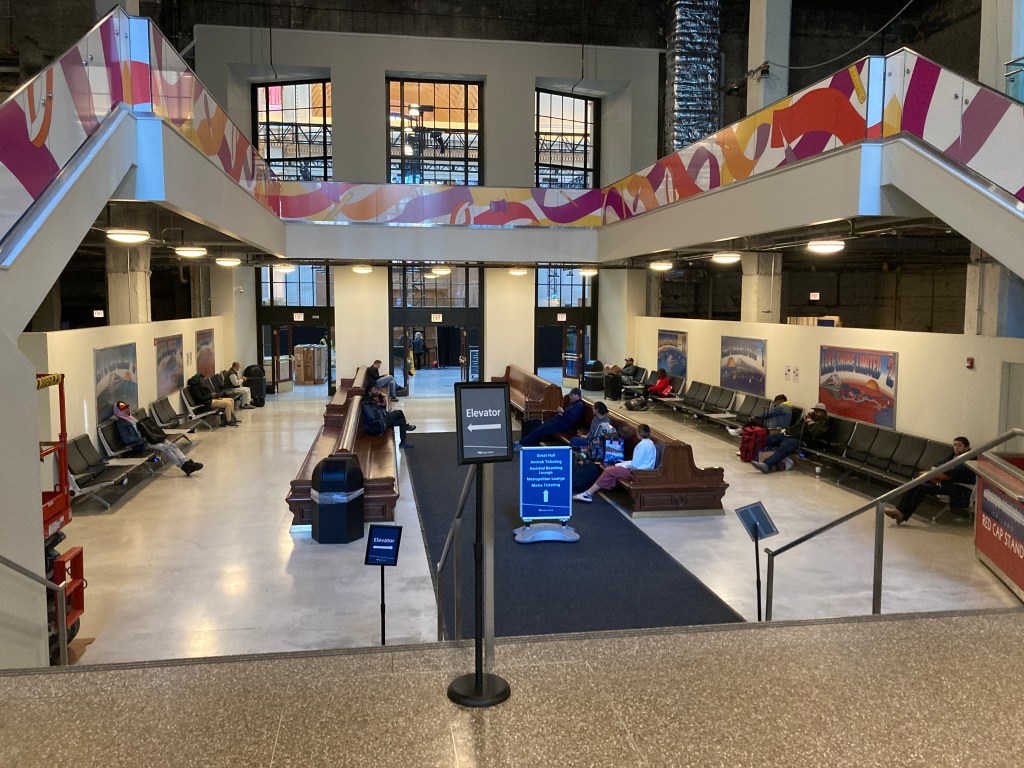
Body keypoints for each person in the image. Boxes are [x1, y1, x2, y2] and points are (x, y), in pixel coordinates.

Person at [885, 436, 974, 524]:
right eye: (955, 445)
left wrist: (940, 470)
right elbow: (938, 464)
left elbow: (956, 473)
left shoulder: (970, 459)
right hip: (942, 481)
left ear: (967, 447)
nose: (956, 448)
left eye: (959, 445)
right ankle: (899, 510)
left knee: (922, 488)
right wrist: (940, 470)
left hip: (954, 487)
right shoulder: (953, 456)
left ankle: (902, 514)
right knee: (916, 483)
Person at [113, 401, 203, 475]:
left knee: (172, 445)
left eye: (126, 407)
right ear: (118, 412)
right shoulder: (121, 424)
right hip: (140, 444)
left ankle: (186, 462)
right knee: (164, 448)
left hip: (149, 439)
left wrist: (150, 435)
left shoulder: (132, 418)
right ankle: (183, 466)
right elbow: (126, 439)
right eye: (123, 409)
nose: (127, 410)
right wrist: (143, 439)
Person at [573, 423, 657, 502]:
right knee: (613, 470)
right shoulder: (651, 443)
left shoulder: (642, 445)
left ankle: (588, 494)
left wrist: (621, 464)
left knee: (609, 470)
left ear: (638, 433)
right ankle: (596, 490)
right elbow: (639, 462)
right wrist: (624, 463)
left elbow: (635, 465)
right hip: (645, 472)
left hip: (637, 473)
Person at [752, 402, 830, 473]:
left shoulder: (824, 422)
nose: (817, 413)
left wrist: (810, 423)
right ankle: (764, 460)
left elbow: (816, 433)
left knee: (783, 448)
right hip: (790, 434)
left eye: (820, 411)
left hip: (801, 439)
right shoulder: (810, 417)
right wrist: (803, 419)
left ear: (824, 413)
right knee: (769, 439)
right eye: (816, 411)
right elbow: (795, 427)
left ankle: (767, 465)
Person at [515, 387, 586, 450]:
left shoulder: (579, 406)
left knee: (541, 430)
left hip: (564, 425)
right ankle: (524, 443)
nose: (570, 397)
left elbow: (572, 419)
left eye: (571, 395)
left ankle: (521, 442)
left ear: (576, 395)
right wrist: (561, 413)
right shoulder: (573, 403)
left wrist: (563, 412)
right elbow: (568, 415)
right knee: (540, 427)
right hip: (559, 421)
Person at [727, 394, 792, 437]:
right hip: (778, 426)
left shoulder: (782, 407)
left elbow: (768, 413)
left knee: (752, 420)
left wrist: (755, 416)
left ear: (781, 400)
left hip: (774, 426)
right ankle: (741, 431)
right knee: (754, 424)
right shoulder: (787, 407)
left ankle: (739, 432)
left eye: (776, 402)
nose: (775, 404)